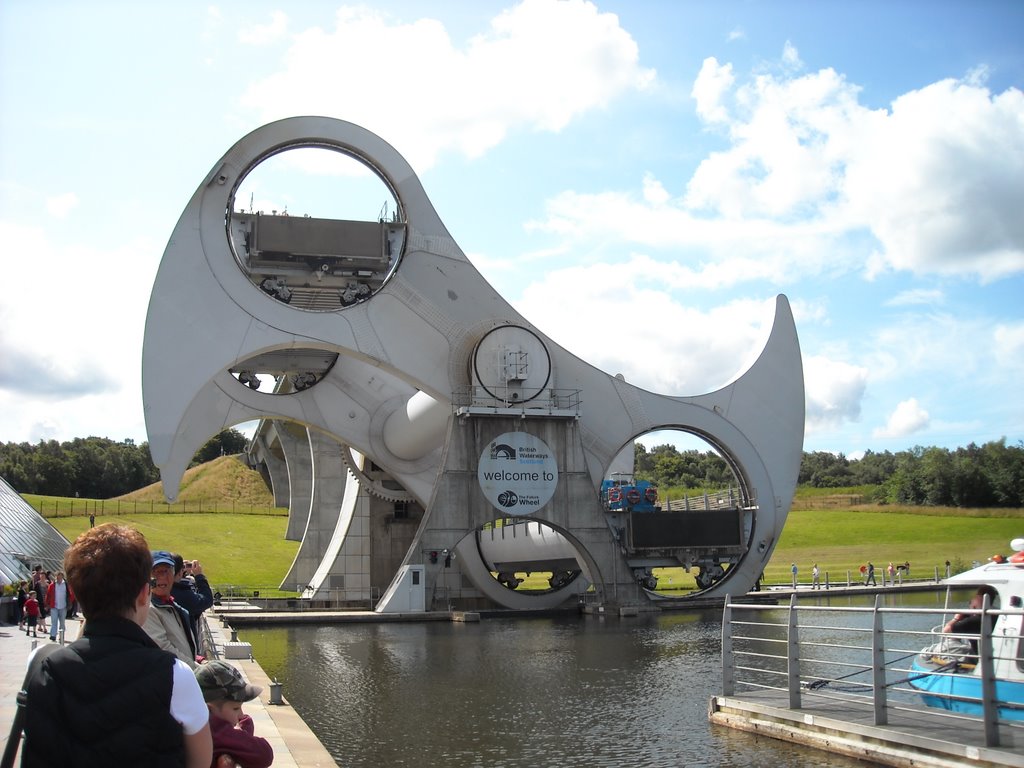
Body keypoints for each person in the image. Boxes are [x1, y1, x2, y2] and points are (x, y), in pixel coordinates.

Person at [20, 523, 213, 766]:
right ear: (144, 593)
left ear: (76, 594)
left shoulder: (43, 667)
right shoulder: (176, 675)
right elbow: (200, 762)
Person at [195, 660, 275, 768]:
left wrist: (240, 730)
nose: (241, 715)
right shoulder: (218, 731)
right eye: (236, 708)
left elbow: (244, 723)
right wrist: (241, 732)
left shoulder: (197, 724)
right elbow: (265, 754)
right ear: (210, 710)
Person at [145, 550, 200, 668]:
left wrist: (197, 660)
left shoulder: (172, 606)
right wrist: (197, 669)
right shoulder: (148, 609)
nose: (162, 577)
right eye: (155, 571)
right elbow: (163, 649)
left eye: (166, 571)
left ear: (174, 574)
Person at [943, 585, 999, 658]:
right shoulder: (997, 614)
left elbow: (946, 631)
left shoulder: (972, 621)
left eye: (975, 597)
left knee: (951, 643)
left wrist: (956, 618)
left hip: (981, 658)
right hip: (994, 653)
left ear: (979, 598)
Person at [172, 553, 215, 650]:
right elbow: (207, 600)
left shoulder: (149, 593)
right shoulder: (183, 594)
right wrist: (199, 575)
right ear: (180, 572)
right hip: (183, 653)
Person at [46, 570, 75, 642]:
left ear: (62, 577)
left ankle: (61, 636)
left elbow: (71, 594)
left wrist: (70, 601)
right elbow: (48, 595)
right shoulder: (52, 585)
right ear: (56, 577)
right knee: (54, 622)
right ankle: (53, 635)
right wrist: (47, 604)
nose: (59, 579)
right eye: (58, 578)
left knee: (62, 622)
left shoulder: (66, 585)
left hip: (63, 606)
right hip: (54, 606)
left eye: (60, 577)